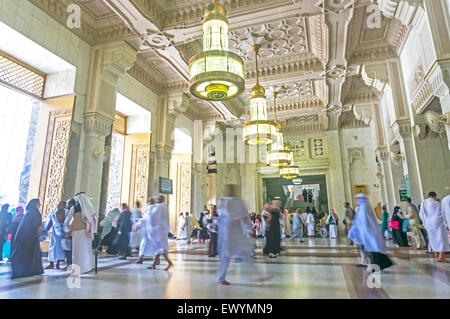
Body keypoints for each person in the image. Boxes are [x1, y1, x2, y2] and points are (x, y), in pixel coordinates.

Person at [217, 184, 253, 285]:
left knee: (246, 252)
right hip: (227, 233)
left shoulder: (239, 201)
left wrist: (249, 230)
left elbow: (245, 216)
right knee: (226, 255)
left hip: (237, 232)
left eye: (232, 189)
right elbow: (225, 215)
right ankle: (221, 278)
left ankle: (255, 275)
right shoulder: (223, 201)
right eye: (229, 189)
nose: (231, 191)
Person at [348, 194, 393, 270]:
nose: (356, 200)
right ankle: (381, 264)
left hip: (369, 232)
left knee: (374, 250)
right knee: (372, 250)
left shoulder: (365, 206)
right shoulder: (362, 207)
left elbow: (364, 220)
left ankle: (381, 265)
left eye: (357, 198)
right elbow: (359, 220)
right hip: (366, 232)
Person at [10, 199, 44, 279]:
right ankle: (29, 271)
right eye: (38, 203)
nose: (40, 205)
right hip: (30, 238)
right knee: (30, 254)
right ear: (35, 204)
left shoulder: (28, 213)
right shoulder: (35, 213)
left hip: (24, 238)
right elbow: (37, 228)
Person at [65, 192, 96, 274]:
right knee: (86, 249)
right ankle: (87, 267)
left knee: (77, 250)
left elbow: (68, 219)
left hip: (77, 231)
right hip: (87, 231)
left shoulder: (75, 208)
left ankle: (77, 269)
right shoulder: (89, 208)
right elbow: (93, 220)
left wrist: (67, 228)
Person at [420, 192, 449, 262]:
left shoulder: (423, 203)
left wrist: (425, 223)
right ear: (435, 196)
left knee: (432, 240)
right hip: (439, 223)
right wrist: (446, 223)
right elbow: (442, 213)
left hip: (429, 223)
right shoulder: (437, 203)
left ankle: (436, 256)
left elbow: (421, 214)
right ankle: (441, 257)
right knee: (442, 239)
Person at [147, 196, 173, 270]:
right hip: (163, 230)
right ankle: (154, 264)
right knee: (159, 248)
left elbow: (153, 218)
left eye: (157, 199)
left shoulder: (158, 207)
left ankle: (169, 263)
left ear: (160, 200)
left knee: (160, 248)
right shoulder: (164, 207)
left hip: (158, 230)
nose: (156, 200)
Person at [45, 201, 66, 269]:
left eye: (61, 205)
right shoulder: (53, 214)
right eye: (58, 205)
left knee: (60, 249)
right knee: (52, 247)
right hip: (54, 234)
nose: (59, 206)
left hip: (63, 233)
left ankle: (58, 264)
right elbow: (50, 224)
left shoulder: (67, 214)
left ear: (64, 206)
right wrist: (45, 231)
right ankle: (51, 264)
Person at [136, 198, 156, 264]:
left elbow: (146, 218)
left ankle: (141, 258)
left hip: (148, 230)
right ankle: (156, 260)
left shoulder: (150, 208)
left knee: (144, 244)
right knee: (153, 245)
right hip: (150, 230)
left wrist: (138, 223)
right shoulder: (152, 208)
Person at [62, 199, 76, 269]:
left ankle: (70, 265)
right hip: (66, 233)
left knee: (69, 252)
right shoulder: (68, 212)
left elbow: (72, 223)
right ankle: (68, 264)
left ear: (72, 204)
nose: (67, 205)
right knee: (67, 251)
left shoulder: (74, 212)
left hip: (70, 234)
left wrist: (69, 232)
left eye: (68, 204)